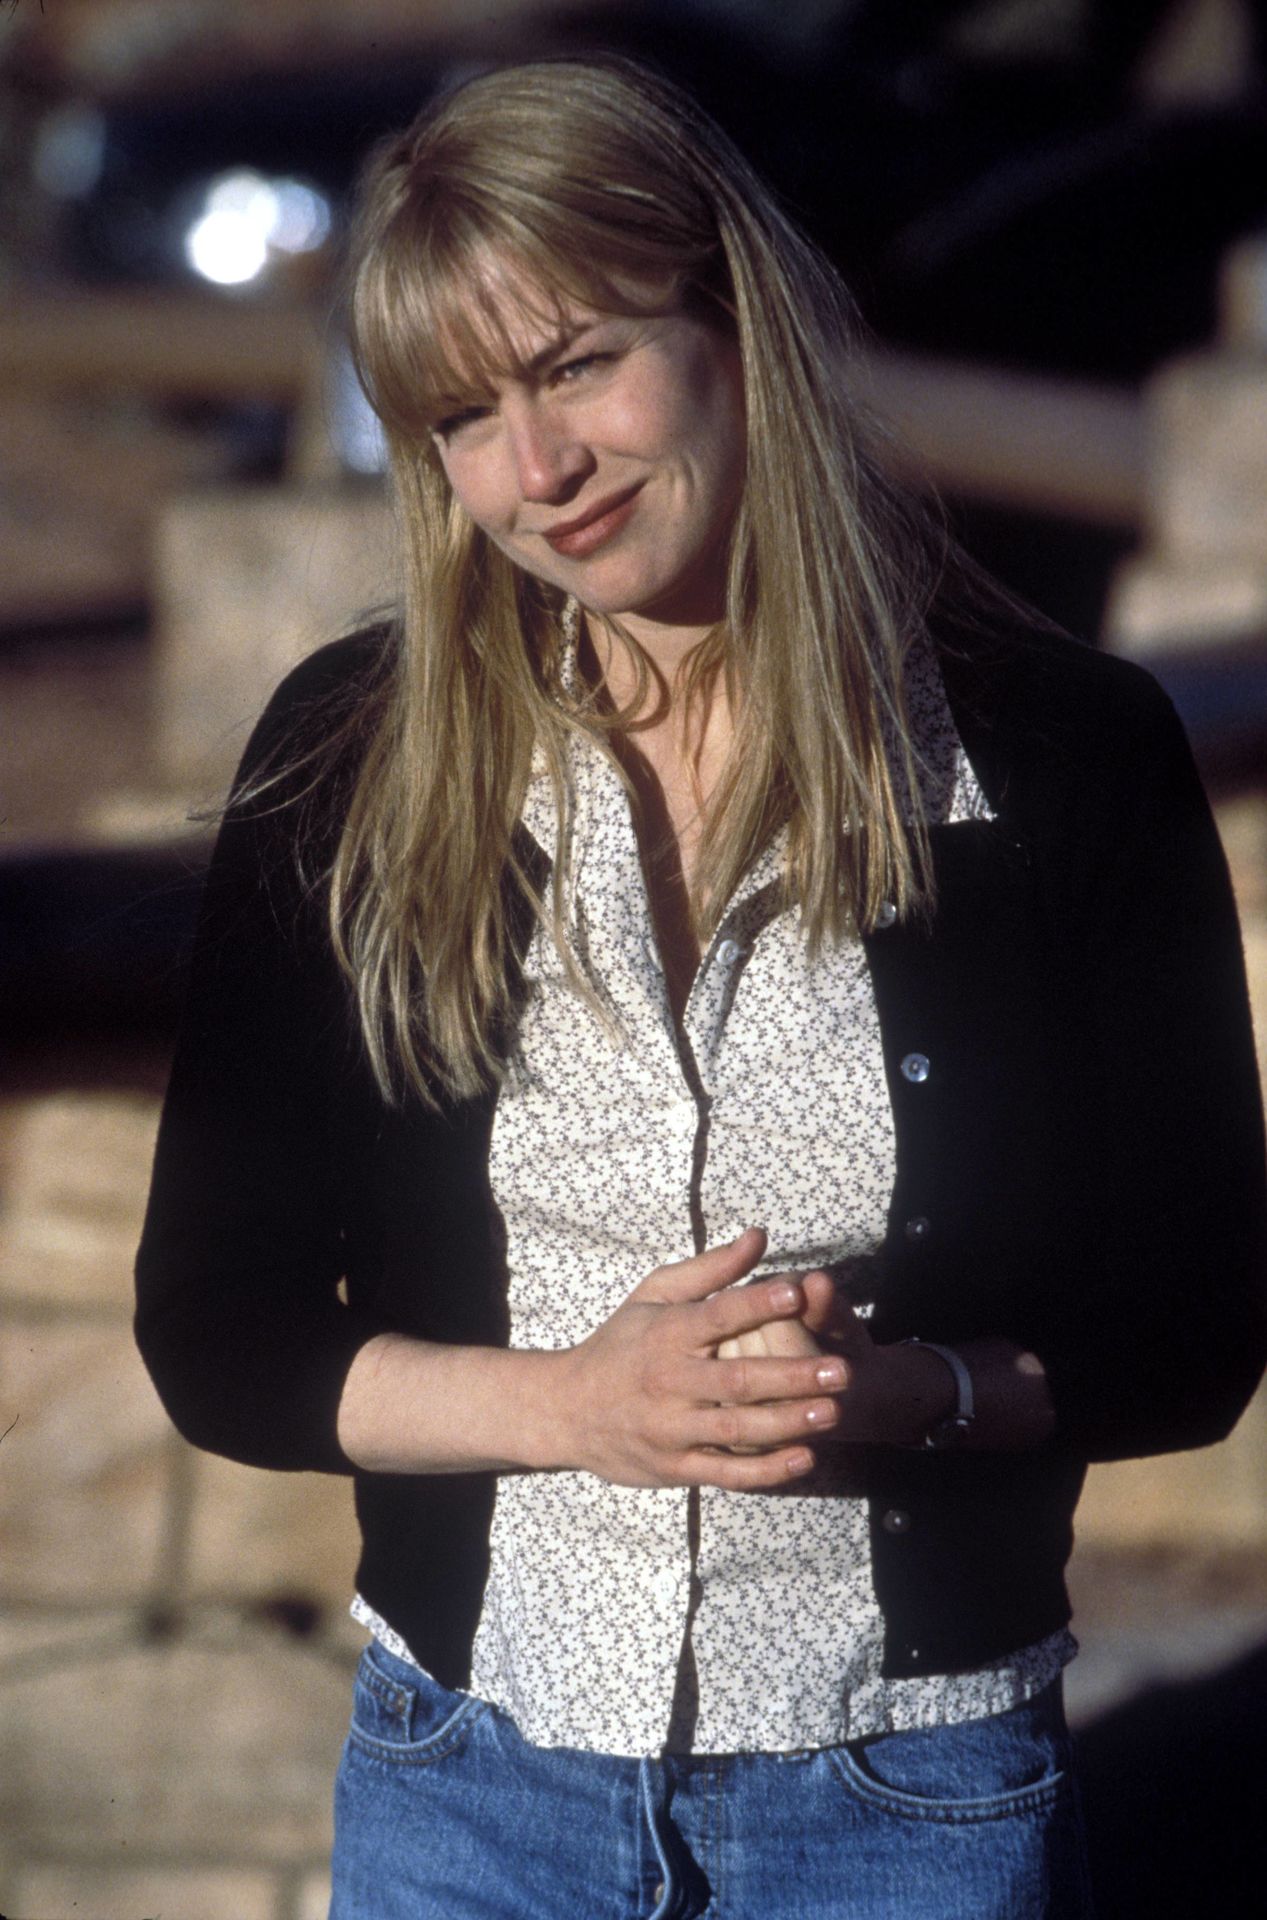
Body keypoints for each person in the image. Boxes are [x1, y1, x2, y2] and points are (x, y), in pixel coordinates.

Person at [134, 56, 1267, 1920]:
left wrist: (903, 1394)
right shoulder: (350, 761)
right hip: (466, 1801)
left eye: (578, 365)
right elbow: (218, 1331)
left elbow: (1198, 1330)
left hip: (912, 1806)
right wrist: (573, 1408)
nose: (539, 472)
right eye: (464, 417)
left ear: (734, 322)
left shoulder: (1068, 756)